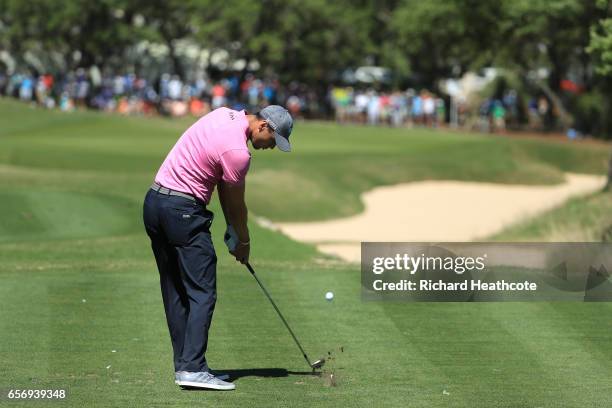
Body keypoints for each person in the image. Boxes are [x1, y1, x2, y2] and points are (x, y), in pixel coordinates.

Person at [143, 105, 293, 391]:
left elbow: (224, 188)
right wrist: (243, 241)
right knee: (202, 290)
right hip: (182, 211)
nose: (272, 147)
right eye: (274, 140)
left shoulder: (224, 114)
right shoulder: (239, 153)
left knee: (175, 288)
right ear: (264, 126)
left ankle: (185, 365)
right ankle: (193, 369)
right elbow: (236, 205)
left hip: (154, 203)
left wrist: (231, 231)